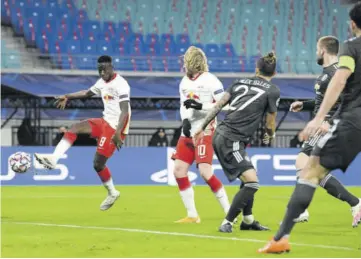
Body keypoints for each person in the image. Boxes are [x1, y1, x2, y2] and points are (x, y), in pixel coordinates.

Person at [259, 3, 361, 253]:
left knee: (309, 170)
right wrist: (306, 106)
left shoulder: (350, 48)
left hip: (350, 119)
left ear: (353, 24)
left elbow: (341, 82)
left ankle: (283, 235)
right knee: (304, 165)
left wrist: (321, 119)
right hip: (345, 118)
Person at [194, 51, 279, 232]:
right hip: (231, 139)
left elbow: (218, 105)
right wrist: (269, 135)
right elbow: (270, 121)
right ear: (274, 74)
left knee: (249, 175)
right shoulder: (272, 91)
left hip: (223, 134)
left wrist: (202, 126)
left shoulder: (239, 82)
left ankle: (248, 221)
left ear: (257, 69)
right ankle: (227, 222)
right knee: (252, 182)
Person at [35, 55, 131, 211]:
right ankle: (54, 158)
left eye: (104, 69)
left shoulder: (121, 84)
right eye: (99, 70)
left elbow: (125, 111)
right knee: (74, 128)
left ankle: (112, 192)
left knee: (98, 164)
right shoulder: (102, 82)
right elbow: (87, 93)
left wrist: (118, 133)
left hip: (116, 128)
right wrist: (67, 96)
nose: (101, 73)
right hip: (105, 121)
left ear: (111, 67)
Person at [289, 36, 360, 223]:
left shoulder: (336, 73)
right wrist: (303, 105)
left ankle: (353, 203)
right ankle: (354, 203)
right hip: (324, 123)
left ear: (323, 50)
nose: (315, 53)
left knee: (302, 162)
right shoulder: (327, 73)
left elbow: (346, 101)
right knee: (311, 168)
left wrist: (329, 121)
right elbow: (326, 101)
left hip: (328, 125)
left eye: (316, 49)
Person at [171, 46, 231, 223]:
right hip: (188, 132)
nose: (184, 64)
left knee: (205, 172)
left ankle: (230, 212)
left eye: (186, 60)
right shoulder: (183, 82)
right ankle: (192, 215)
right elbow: (183, 105)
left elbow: (226, 105)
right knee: (179, 170)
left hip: (206, 130)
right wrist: (185, 121)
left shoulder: (211, 81)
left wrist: (200, 107)